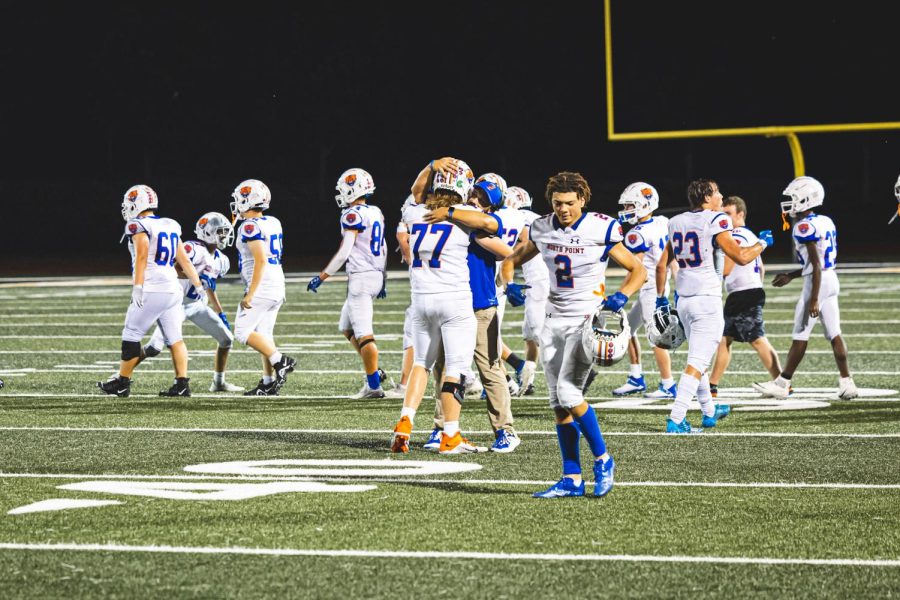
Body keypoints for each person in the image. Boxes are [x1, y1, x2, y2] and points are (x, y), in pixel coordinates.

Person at [500, 171, 647, 498]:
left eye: (569, 203)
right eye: (557, 203)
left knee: (568, 394)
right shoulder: (541, 226)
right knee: (557, 404)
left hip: (586, 321)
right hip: (552, 320)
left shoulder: (600, 226)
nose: (563, 209)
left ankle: (604, 459)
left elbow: (638, 270)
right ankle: (571, 477)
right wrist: (509, 284)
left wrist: (622, 295)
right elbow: (510, 260)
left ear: (582, 199)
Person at [389, 158, 507, 455]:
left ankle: (406, 420)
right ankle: (450, 435)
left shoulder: (415, 212)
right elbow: (492, 223)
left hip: (421, 302)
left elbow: (416, 190)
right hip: (454, 302)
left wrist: (431, 165)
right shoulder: (463, 215)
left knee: (421, 365)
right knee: (456, 370)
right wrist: (452, 212)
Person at [664, 178, 772, 433]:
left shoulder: (675, 221)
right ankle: (676, 418)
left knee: (697, 358)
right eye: (716, 193)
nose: (721, 197)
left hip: (684, 299)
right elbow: (741, 256)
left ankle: (709, 411)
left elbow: (662, 263)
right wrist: (763, 243)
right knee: (698, 362)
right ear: (706, 197)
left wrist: (661, 297)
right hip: (705, 300)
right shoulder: (715, 220)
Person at [424, 176, 518, 453]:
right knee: (444, 367)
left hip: (480, 305)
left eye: (484, 199)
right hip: (452, 303)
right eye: (475, 193)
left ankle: (506, 430)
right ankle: (441, 428)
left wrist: (455, 217)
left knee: (489, 368)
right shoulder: (455, 222)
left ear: (492, 206)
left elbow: (506, 251)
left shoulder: (479, 225)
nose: (477, 199)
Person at [752, 176, 858, 400]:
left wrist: (814, 298)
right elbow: (817, 263)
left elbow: (815, 264)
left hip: (818, 283)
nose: (789, 202)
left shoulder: (803, 226)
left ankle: (783, 383)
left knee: (800, 334)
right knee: (834, 333)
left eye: (793, 198)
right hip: (831, 278)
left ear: (806, 199)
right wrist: (791, 275)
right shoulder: (825, 221)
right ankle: (847, 382)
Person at [98, 184, 203, 398]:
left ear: (138, 204)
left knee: (131, 335)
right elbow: (182, 259)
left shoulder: (138, 225)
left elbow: (142, 257)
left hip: (153, 288)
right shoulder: (170, 224)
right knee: (175, 338)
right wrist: (198, 284)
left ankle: (122, 382)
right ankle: (182, 384)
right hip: (173, 289)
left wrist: (138, 286)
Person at [123, 212, 243, 393]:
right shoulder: (193, 249)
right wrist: (198, 277)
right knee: (154, 347)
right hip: (176, 304)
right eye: (220, 232)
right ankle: (122, 375)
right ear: (207, 233)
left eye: (225, 232)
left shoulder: (222, 260)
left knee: (226, 339)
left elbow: (210, 287)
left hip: (196, 305)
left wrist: (220, 312)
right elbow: (174, 268)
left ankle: (218, 382)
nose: (224, 236)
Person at [307, 168, 397, 399]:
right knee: (346, 327)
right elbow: (384, 247)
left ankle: (374, 386)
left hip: (361, 278)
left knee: (365, 334)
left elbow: (345, 251)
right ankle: (374, 370)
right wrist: (383, 278)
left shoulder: (352, 214)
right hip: (375, 275)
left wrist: (323, 276)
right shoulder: (375, 211)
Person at [708, 196, 781, 395]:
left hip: (743, 294)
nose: (725, 218)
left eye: (728, 213)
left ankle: (782, 382)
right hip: (744, 293)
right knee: (725, 339)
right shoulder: (749, 235)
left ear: (741, 214)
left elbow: (728, 267)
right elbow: (762, 269)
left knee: (757, 339)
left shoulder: (737, 234)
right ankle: (712, 385)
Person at [230, 179, 297, 396]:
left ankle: (280, 361)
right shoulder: (272, 221)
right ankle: (268, 383)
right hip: (277, 282)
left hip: (263, 284)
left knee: (242, 331)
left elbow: (260, 260)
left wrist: (251, 293)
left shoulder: (249, 226)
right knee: (263, 334)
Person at [611, 182, 677, 399]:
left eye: (631, 205)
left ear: (644, 204)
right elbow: (671, 255)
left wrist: (622, 293)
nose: (626, 210)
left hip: (650, 288)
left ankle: (668, 384)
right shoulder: (662, 222)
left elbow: (635, 269)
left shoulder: (636, 234)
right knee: (628, 329)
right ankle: (636, 378)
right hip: (658, 284)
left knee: (657, 338)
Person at [500, 186, 548, 396]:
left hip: (538, 281)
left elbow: (525, 243)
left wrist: (508, 261)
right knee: (530, 334)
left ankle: (577, 369)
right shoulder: (538, 216)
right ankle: (528, 378)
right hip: (543, 279)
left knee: (539, 334)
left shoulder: (518, 217)